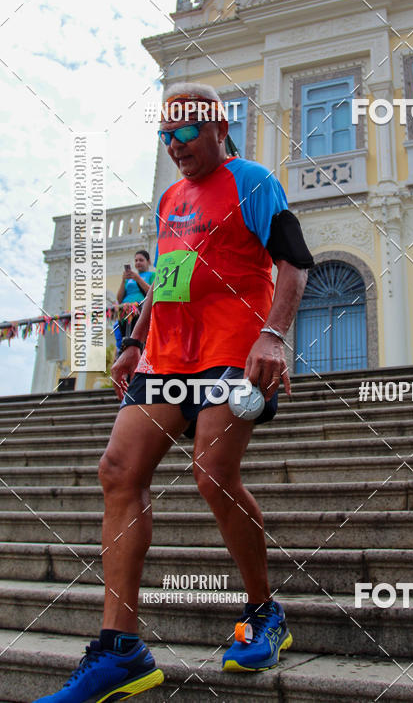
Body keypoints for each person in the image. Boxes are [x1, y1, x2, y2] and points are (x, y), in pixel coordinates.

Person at [36, 83, 314, 702]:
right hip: (165, 359)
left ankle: (264, 612)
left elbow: (295, 263)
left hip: (234, 356)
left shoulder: (255, 182)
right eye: (165, 134)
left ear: (219, 128)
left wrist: (273, 337)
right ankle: (122, 651)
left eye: (185, 132)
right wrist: (134, 341)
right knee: (117, 470)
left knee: (213, 471)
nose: (174, 144)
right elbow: (167, 278)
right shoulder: (171, 198)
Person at [113, 252, 155, 354]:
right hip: (124, 311)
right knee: (119, 331)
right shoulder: (129, 279)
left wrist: (138, 279)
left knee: (134, 337)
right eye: (136, 260)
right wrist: (123, 280)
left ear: (148, 262)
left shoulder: (152, 275)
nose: (138, 263)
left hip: (139, 310)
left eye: (141, 260)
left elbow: (152, 291)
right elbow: (119, 298)